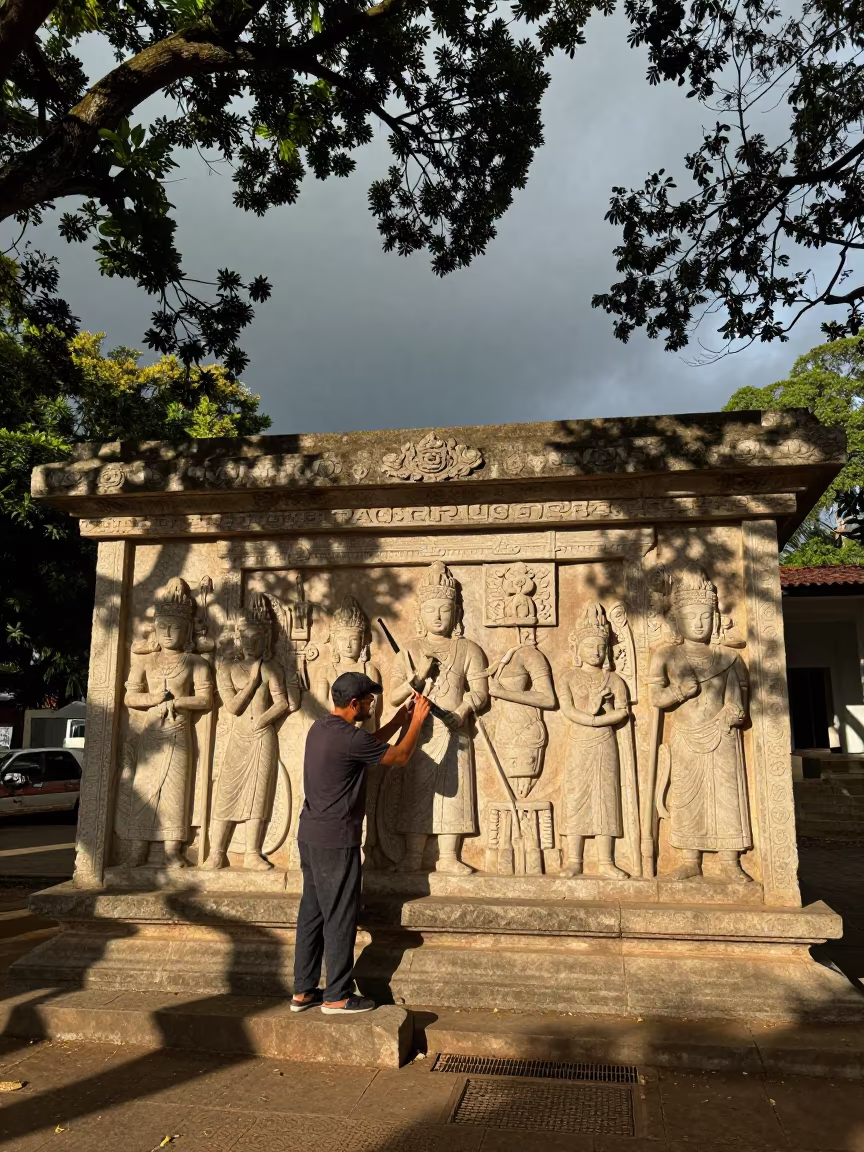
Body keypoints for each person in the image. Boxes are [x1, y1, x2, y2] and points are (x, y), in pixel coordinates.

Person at [291, 670, 431, 1014]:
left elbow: (369, 747)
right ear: (354, 704)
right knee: (340, 914)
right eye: (369, 700)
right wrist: (418, 722)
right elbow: (398, 757)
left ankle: (303, 991)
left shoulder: (323, 728)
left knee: (312, 912)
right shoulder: (350, 739)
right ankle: (337, 995)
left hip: (310, 835)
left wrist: (400, 719)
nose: (372, 705)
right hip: (335, 840)